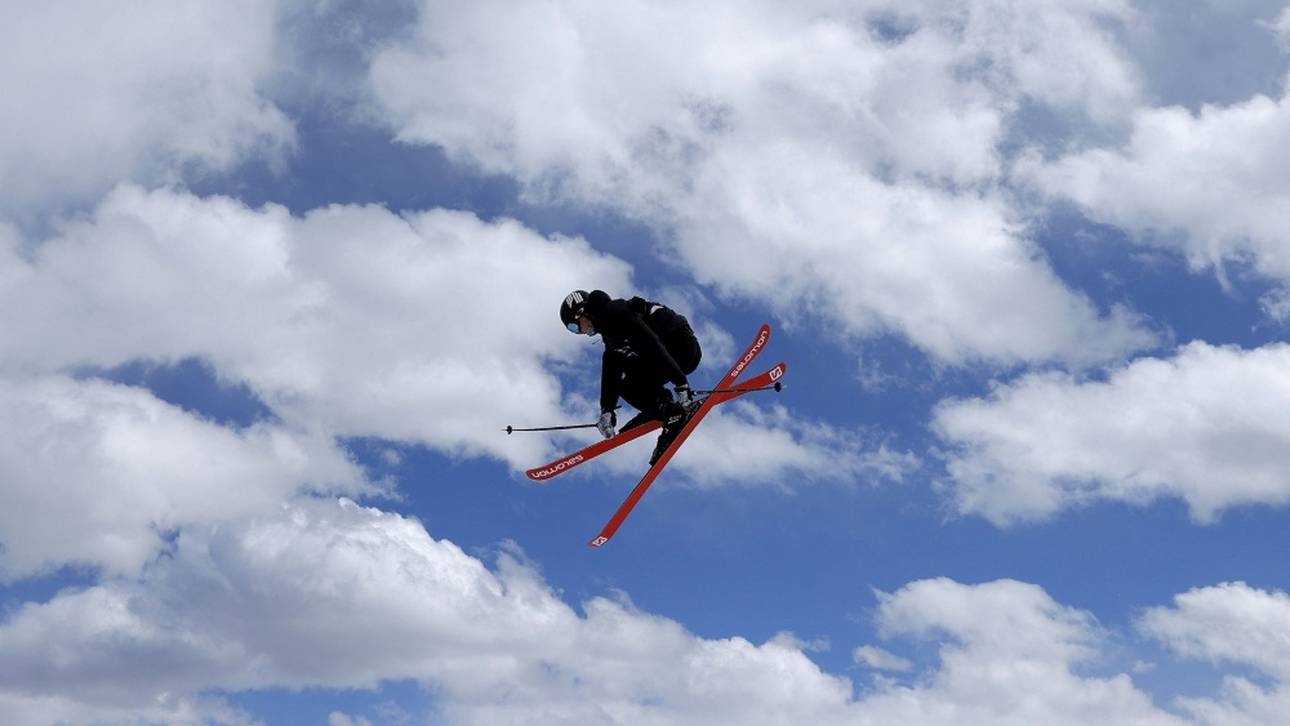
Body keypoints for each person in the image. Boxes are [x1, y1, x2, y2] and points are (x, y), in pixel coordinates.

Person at [560, 289, 702, 464]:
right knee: (622, 376)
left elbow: (651, 343)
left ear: (582, 313)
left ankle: (671, 413)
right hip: (675, 355)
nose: (579, 332)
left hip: (681, 348)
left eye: (574, 327)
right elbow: (611, 367)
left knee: (627, 382)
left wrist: (681, 384)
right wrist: (607, 410)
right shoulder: (610, 331)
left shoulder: (615, 313)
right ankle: (662, 407)